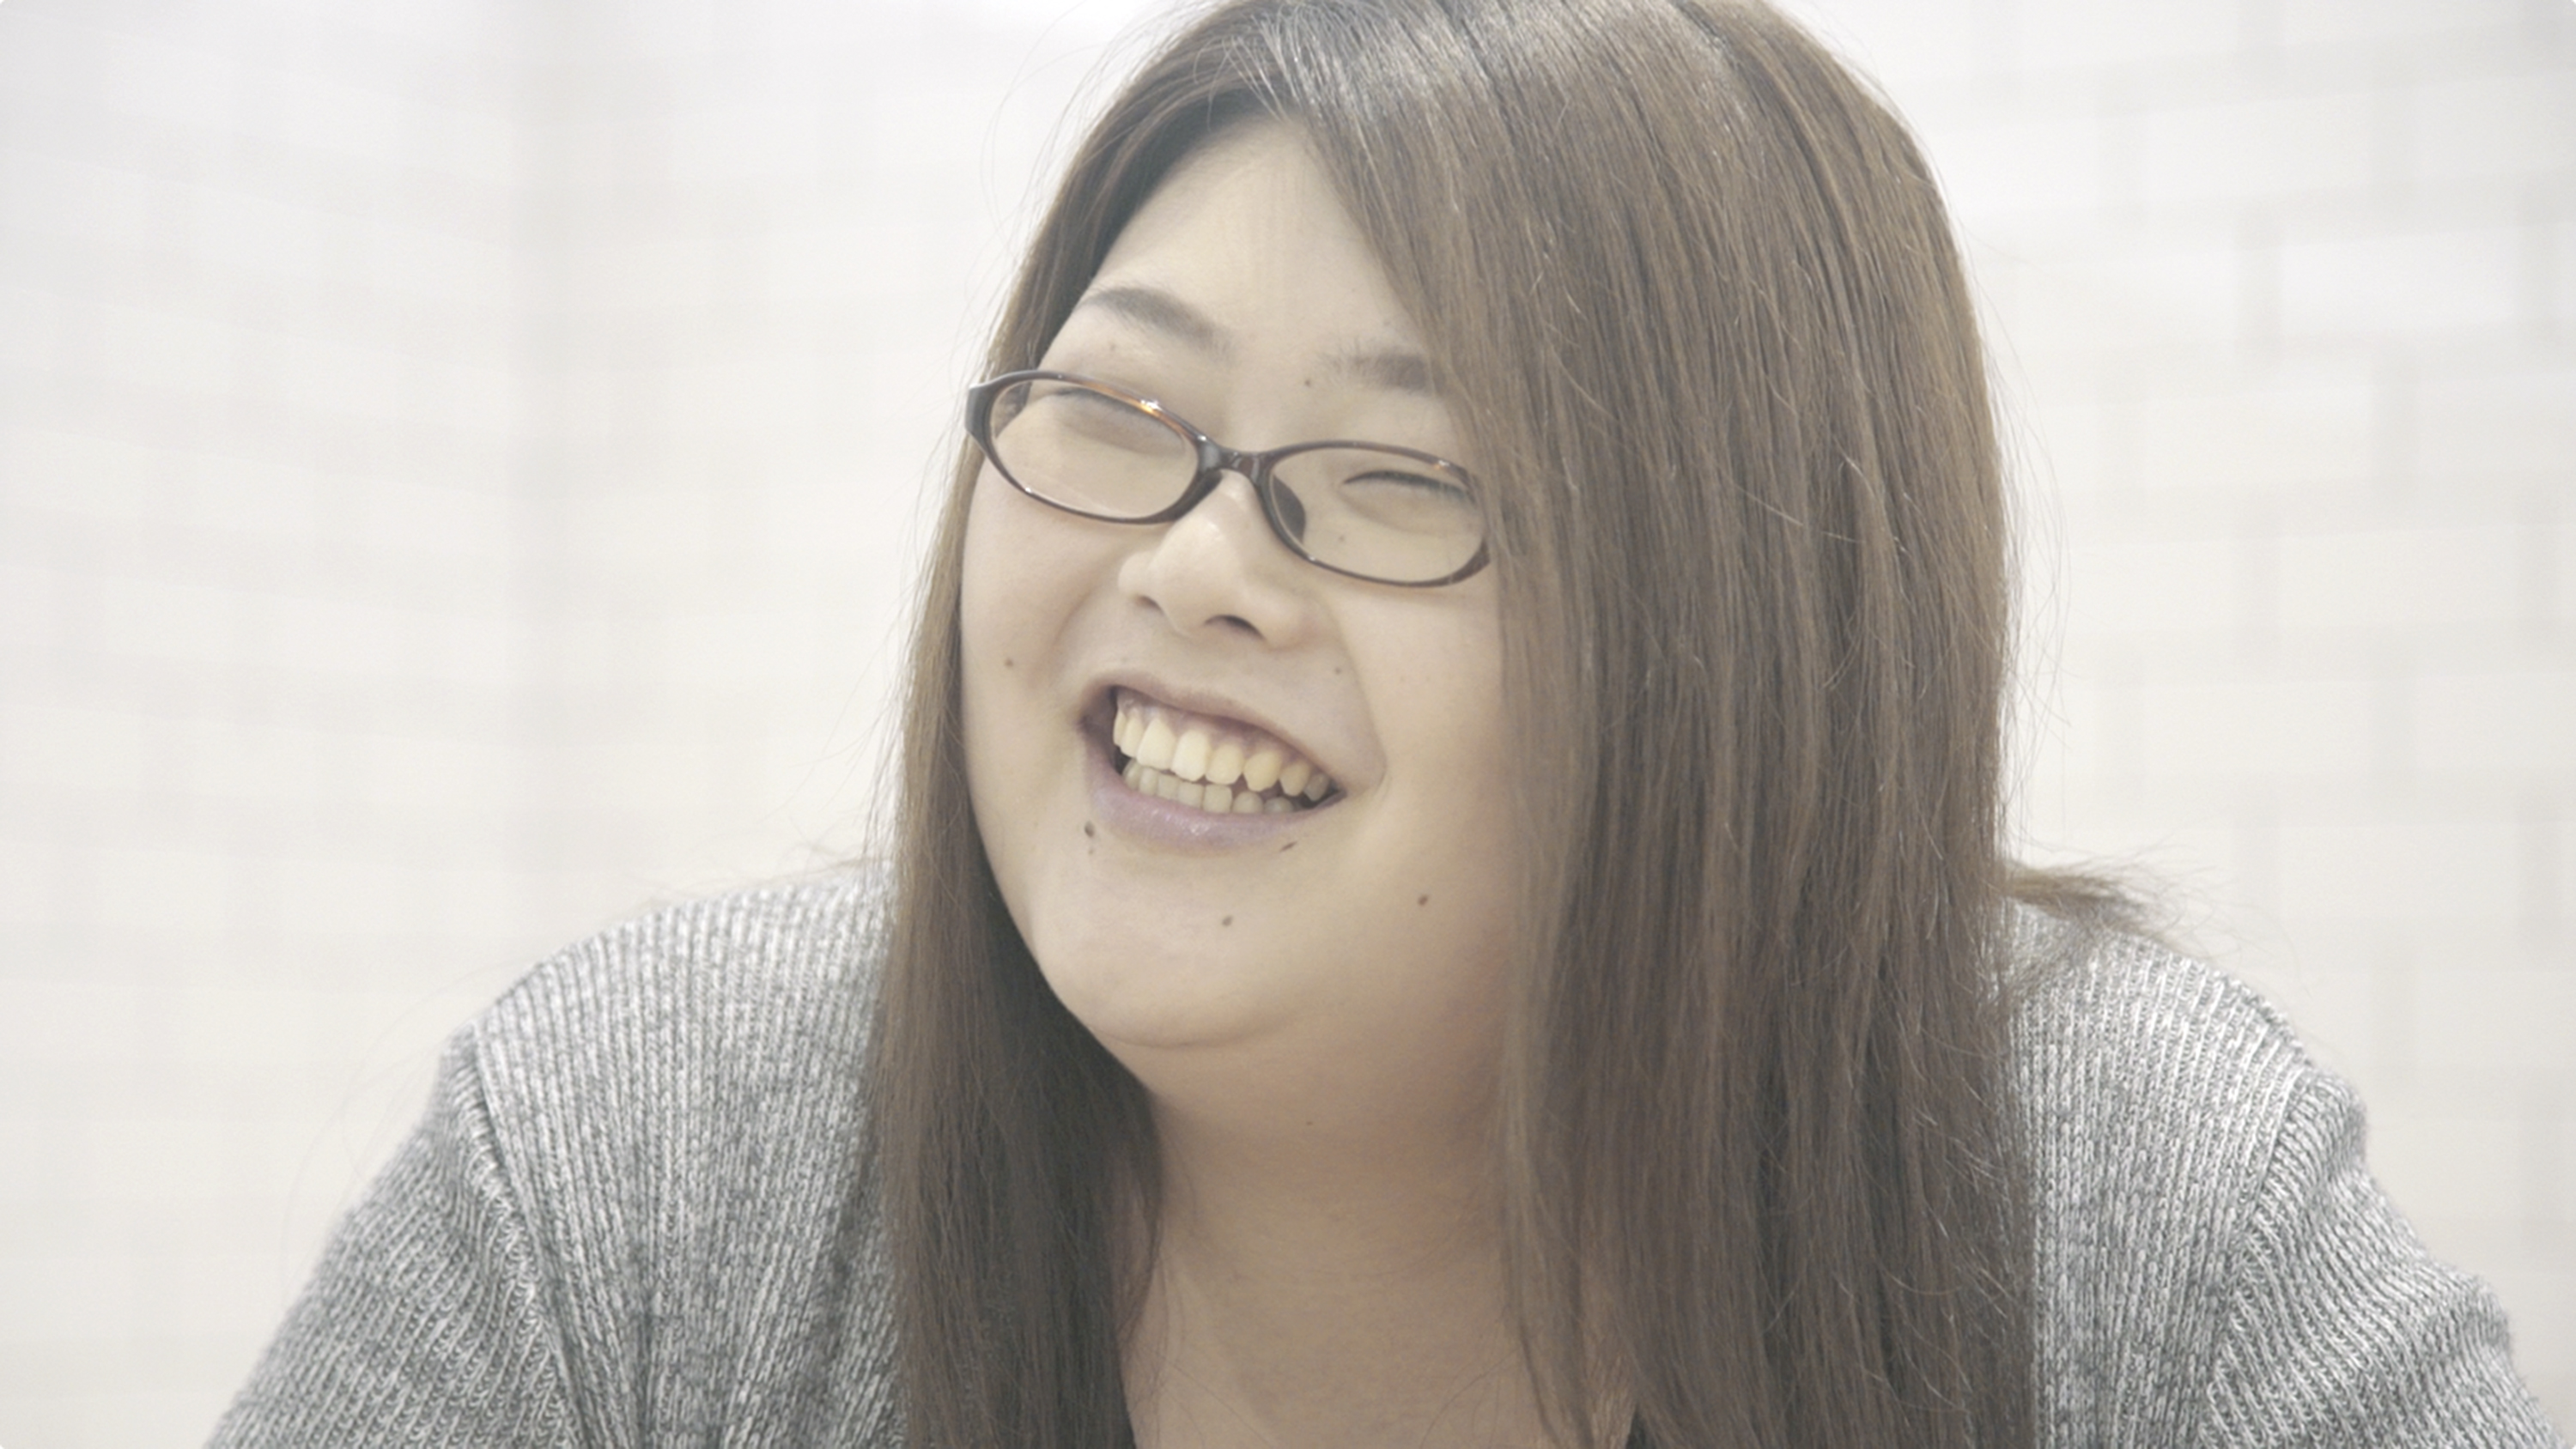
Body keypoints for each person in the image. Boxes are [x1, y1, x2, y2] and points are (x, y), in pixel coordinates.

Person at [210, 2, 2562, 1446]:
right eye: (1117, 413)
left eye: (1399, 478)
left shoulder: (2128, 1216)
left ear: (1745, 647)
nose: (1194, 563)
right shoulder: (639, 1172)